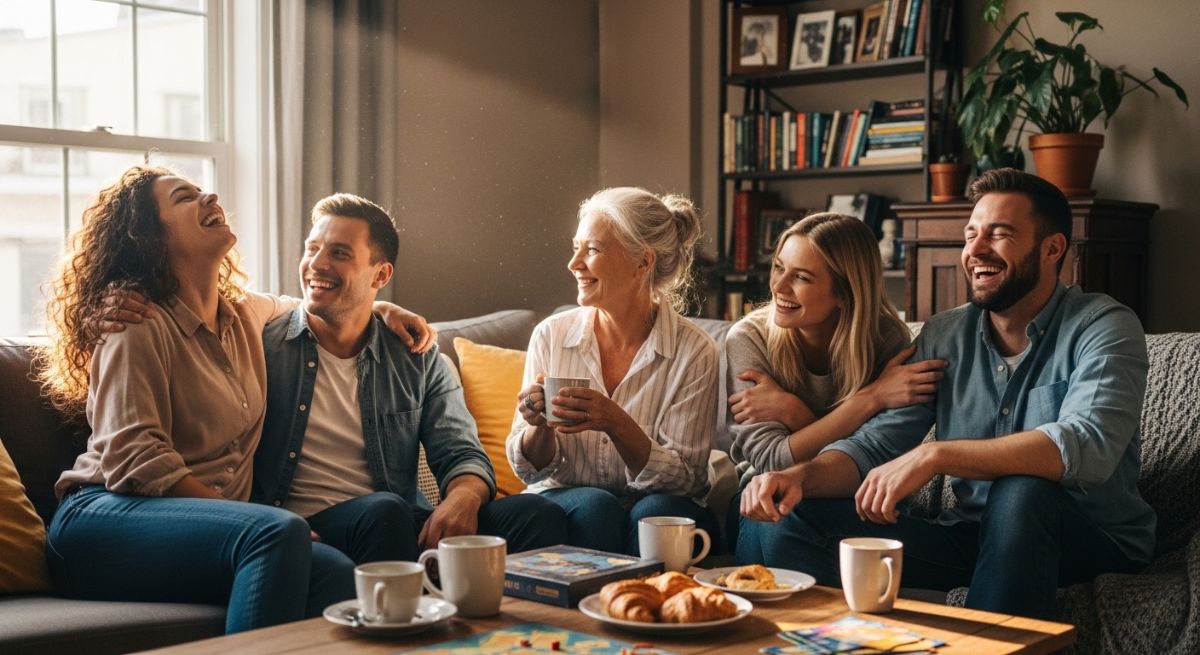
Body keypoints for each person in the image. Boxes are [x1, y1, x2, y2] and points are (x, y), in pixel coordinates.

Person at [739, 169, 1153, 619]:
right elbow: (874, 445)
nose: (975, 251)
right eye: (971, 234)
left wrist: (936, 456)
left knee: (1021, 492)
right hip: (971, 538)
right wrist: (802, 477)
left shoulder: (1105, 327)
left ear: (1052, 249)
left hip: (1089, 538)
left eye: (999, 235)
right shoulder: (945, 334)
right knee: (794, 518)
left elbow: (1086, 446)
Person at [36, 166, 434, 633]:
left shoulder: (248, 314)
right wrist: (253, 520)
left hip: (217, 530)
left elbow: (321, 305)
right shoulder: (135, 322)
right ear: (150, 236)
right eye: (184, 197)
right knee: (277, 532)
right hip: (105, 520)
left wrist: (381, 305)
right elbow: (135, 461)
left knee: (341, 578)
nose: (209, 196)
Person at [252, 193, 567, 562]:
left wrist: (462, 498)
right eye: (312, 249)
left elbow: (461, 452)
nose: (315, 264)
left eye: (339, 253)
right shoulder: (263, 344)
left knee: (535, 515)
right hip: (311, 526)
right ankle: (417, 615)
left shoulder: (414, 354)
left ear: (381, 274)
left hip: (400, 521)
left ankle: (517, 621)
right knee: (384, 511)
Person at [506, 187, 719, 556]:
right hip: (571, 500)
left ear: (642, 262)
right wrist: (537, 425)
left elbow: (688, 479)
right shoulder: (551, 336)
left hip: (659, 501)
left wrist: (616, 422)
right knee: (593, 506)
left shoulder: (695, 350)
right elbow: (529, 472)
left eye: (591, 249)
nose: (574, 263)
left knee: (656, 512)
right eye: (576, 247)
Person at [726, 213, 945, 554]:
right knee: (771, 515)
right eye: (778, 267)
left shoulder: (889, 341)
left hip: (855, 497)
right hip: (759, 492)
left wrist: (794, 418)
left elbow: (871, 456)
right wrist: (869, 399)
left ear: (844, 293)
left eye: (801, 277)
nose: (779, 287)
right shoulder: (749, 338)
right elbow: (773, 461)